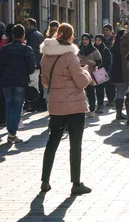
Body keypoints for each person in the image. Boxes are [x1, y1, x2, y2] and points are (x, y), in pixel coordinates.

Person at [40, 23, 93, 195]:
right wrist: (86, 72)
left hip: (56, 104)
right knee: (75, 144)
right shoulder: (70, 56)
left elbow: (45, 82)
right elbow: (81, 82)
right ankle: (76, 183)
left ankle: (45, 181)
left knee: (52, 141)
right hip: (75, 105)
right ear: (71, 36)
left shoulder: (46, 56)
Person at [0, 24, 36, 143]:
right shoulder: (27, 49)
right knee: (17, 107)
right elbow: (31, 68)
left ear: (12, 35)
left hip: (6, 81)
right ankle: (12, 133)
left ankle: (11, 132)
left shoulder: (5, 49)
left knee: (9, 106)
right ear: (24, 35)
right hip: (20, 81)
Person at [79, 34, 102, 117]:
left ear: (89, 40)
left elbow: (99, 61)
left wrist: (95, 63)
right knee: (80, 93)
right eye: (83, 39)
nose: (84, 41)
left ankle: (92, 109)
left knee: (91, 92)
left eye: (86, 39)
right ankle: (81, 109)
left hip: (91, 74)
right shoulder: (78, 49)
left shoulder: (94, 50)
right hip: (80, 74)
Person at [25, 18, 45, 111]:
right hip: (39, 62)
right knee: (38, 84)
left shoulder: (31, 35)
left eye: (28, 25)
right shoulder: (39, 34)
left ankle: (35, 104)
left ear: (32, 25)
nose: (26, 27)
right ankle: (40, 104)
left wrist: (32, 64)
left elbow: (32, 51)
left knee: (33, 84)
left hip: (35, 64)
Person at [110, 29, 129, 120]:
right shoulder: (121, 46)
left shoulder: (115, 46)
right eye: (125, 34)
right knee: (121, 93)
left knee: (120, 93)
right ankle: (119, 113)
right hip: (121, 72)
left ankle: (119, 112)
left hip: (116, 72)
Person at [93, 35, 112, 114]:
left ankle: (100, 105)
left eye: (99, 40)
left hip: (101, 71)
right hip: (91, 70)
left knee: (100, 89)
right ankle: (92, 105)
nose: (97, 42)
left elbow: (108, 62)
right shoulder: (92, 49)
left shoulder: (105, 50)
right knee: (91, 90)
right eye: (96, 40)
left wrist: (103, 69)